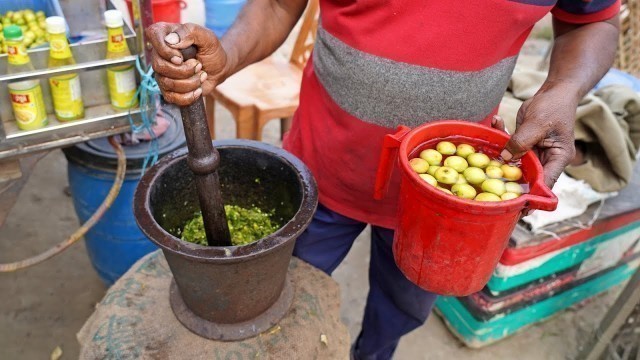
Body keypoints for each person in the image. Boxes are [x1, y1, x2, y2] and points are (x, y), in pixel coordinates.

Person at [147, 0, 620, 357]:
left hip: (444, 203)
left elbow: (592, 19)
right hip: (320, 168)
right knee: (285, 296)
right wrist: (227, 55)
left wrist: (563, 91)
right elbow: (277, 4)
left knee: (402, 309)